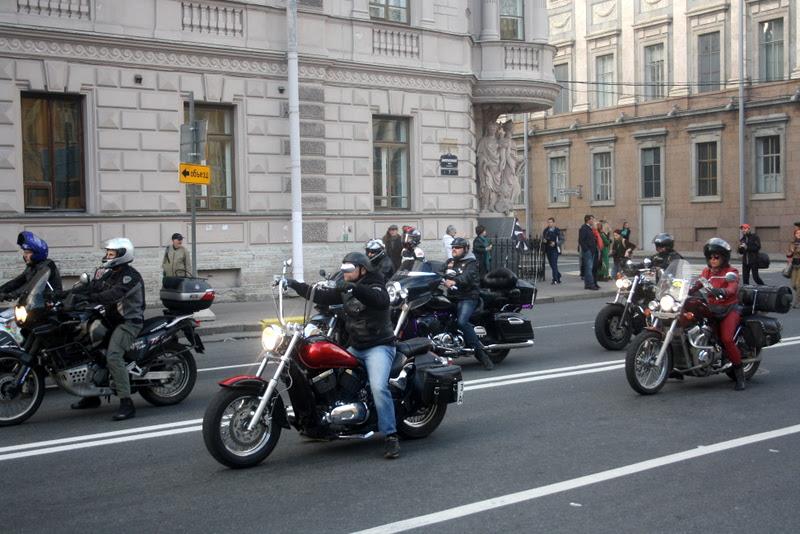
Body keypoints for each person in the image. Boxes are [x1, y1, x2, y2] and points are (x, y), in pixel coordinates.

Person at [287, 252, 400, 459]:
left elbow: (380, 300)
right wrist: (295, 285)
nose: (345, 273)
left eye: (349, 269)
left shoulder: (376, 283)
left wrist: (353, 288)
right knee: (326, 371)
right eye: (343, 268)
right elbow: (320, 296)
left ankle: (391, 436)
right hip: (356, 346)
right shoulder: (347, 288)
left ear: (362, 269)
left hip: (379, 347)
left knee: (378, 387)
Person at [71, 238, 145, 420]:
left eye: (111, 254)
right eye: (108, 253)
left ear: (122, 255)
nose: (107, 256)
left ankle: (127, 403)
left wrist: (90, 298)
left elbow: (113, 295)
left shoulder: (130, 277)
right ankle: (92, 396)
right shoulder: (109, 273)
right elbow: (92, 286)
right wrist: (68, 294)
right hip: (110, 320)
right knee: (87, 347)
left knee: (113, 356)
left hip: (129, 323)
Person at [692, 238, 746, 391]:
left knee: (727, 339)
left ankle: (739, 374)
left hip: (729, 309)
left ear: (724, 258)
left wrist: (723, 291)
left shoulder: (731, 272)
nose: (713, 260)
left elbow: (732, 287)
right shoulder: (706, 271)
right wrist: (685, 290)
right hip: (712, 308)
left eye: (716, 257)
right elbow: (697, 284)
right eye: (710, 257)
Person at [441, 238, 494, 370]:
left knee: (462, 322)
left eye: (458, 247)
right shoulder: (450, 262)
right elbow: (438, 271)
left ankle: (481, 354)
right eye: (453, 247)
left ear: (465, 249)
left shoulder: (471, 263)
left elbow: (467, 277)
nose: (454, 249)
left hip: (468, 297)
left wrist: (455, 281)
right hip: (453, 297)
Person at [0, 231, 62, 301]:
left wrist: (12, 294)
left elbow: (32, 284)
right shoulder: (31, 267)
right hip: (34, 304)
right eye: (24, 252)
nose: (25, 255)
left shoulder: (48, 265)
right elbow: (17, 282)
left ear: (38, 253)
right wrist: (2, 290)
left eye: (28, 252)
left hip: (50, 304)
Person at [579, 215, 599, 290]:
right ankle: (590, 284)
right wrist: (587, 250)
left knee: (589, 268)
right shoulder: (584, 228)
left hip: (591, 251)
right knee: (589, 268)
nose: (593, 221)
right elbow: (581, 240)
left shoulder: (589, 228)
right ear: (588, 220)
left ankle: (587, 284)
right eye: (592, 219)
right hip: (588, 251)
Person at [541, 217, 562, 284]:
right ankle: (558, 275)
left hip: (555, 249)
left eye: (551, 222)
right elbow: (543, 238)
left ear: (554, 223)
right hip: (548, 249)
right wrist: (544, 241)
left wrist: (555, 243)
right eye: (548, 222)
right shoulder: (546, 230)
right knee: (551, 264)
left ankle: (555, 279)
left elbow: (562, 239)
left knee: (554, 264)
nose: (549, 223)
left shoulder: (557, 230)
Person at [786, 227, 800, 308]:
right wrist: (790, 252)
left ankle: (796, 303)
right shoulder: (792, 242)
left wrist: (797, 250)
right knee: (793, 285)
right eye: (797, 233)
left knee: (798, 285)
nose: (798, 234)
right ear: (795, 234)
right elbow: (788, 254)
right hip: (794, 265)